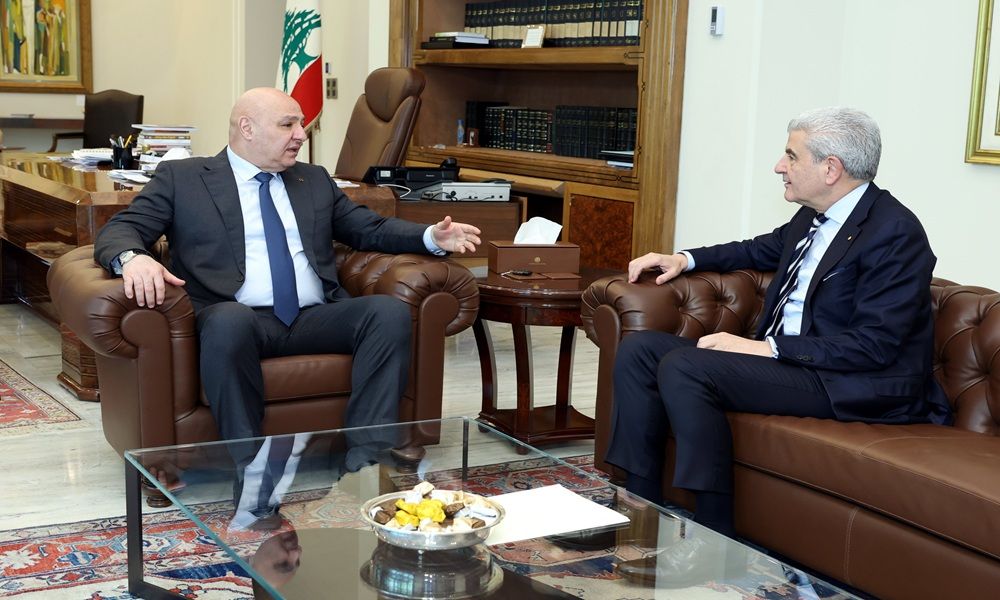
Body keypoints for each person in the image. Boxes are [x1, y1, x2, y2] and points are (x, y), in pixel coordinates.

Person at [608, 107, 951, 582]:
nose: (779, 166)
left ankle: (714, 540)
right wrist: (683, 258)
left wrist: (767, 349)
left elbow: (874, 346)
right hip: (798, 367)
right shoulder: (816, 217)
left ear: (831, 168)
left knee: (688, 367)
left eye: (791, 155)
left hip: (850, 382)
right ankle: (639, 510)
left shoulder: (896, 233)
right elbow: (754, 249)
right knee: (641, 350)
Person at [95, 87, 481, 448]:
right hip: (235, 317)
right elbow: (122, 228)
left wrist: (431, 236)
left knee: (387, 312)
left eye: (301, 124)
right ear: (247, 128)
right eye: (287, 125)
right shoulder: (185, 179)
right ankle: (248, 464)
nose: (301, 135)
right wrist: (134, 257)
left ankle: (367, 455)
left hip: (313, 316)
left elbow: (368, 229)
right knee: (229, 320)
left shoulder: (311, 179)